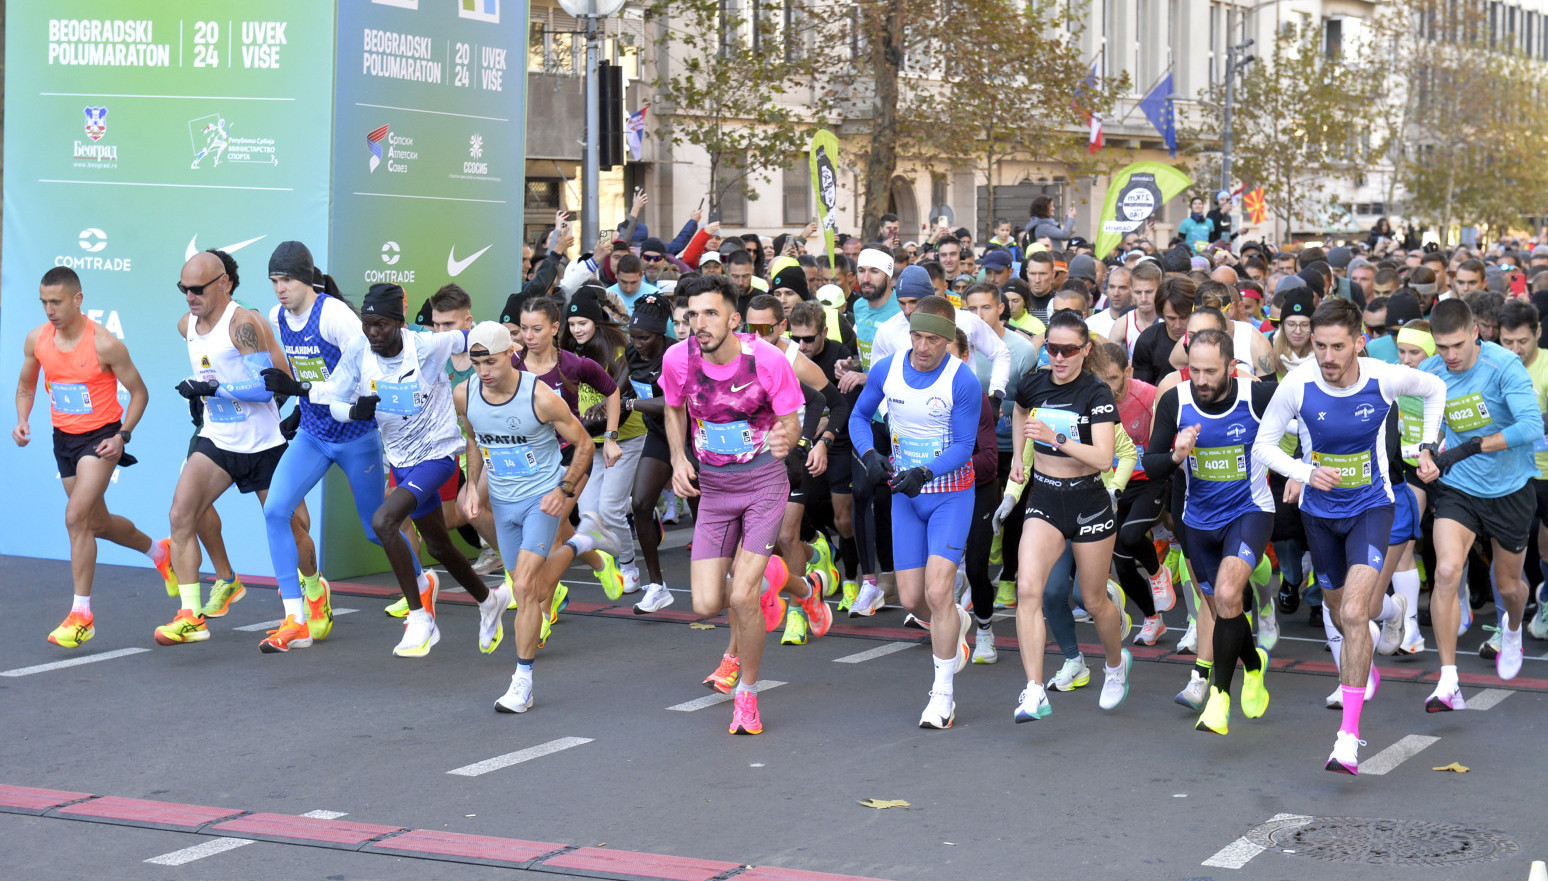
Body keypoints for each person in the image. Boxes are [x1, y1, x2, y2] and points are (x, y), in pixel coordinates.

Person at [1254, 298, 1446, 775]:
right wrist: (1302, 470)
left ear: (1359, 342)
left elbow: (1436, 388)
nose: (1328, 357)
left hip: (1371, 507)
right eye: (1320, 346)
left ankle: (1347, 738)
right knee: (1343, 613)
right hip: (1319, 515)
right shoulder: (1297, 384)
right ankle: (1394, 610)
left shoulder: (1384, 377)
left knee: (1355, 612)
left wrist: (1426, 444)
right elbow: (1263, 444)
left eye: (1338, 346)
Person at [327, 283, 505, 657]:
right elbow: (333, 399)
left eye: (382, 325)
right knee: (439, 545)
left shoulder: (427, 346)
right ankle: (489, 600)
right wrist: (353, 411)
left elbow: (473, 336)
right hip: (402, 461)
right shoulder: (360, 350)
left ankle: (420, 617)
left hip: (439, 455)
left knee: (384, 521)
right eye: (367, 324)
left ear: (400, 323)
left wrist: (505, 345)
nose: (373, 333)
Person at [662, 275, 804, 735]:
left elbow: (791, 420)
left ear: (734, 319)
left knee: (742, 596)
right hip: (715, 490)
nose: (698, 323)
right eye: (692, 314)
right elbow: (673, 407)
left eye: (710, 313)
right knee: (705, 603)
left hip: (763, 481)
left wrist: (788, 440)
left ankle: (747, 694)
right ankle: (779, 578)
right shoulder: (676, 360)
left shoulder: (766, 360)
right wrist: (678, 456)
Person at [158, 250, 315, 646]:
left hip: (264, 446)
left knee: (297, 530)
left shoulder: (243, 323)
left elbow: (267, 385)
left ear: (224, 283)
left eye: (197, 289)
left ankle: (314, 591)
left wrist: (211, 388)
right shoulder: (186, 325)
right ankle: (191, 616)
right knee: (181, 515)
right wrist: (206, 394)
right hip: (218, 441)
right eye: (183, 289)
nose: (190, 297)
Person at [13, 266, 166, 647]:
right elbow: (25, 385)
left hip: (100, 440)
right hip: (63, 440)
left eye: (57, 301)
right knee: (96, 523)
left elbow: (140, 393)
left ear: (78, 300)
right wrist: (21, 419)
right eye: (44, 302)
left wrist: (122, 436)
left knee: (75, 517)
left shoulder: (104, 343)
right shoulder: (37, 339)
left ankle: (82, 615)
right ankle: (159, 551)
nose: (49, 310)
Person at [255, 242, 397, 651]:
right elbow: (294, 372)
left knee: (376, 530)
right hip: (314, 436)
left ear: (306, 279)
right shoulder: (276, 316)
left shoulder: (334, 315)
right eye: (273, 282)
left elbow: (366, 377)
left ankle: (422, 586)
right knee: (276, 510)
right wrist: (296, 407)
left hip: (355, 436)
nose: (279, 289)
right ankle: (295, 618)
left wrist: (303, 390)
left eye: (286, 280)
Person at [849, 297, 980, 727]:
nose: (923, 347)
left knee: (938, 591)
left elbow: (964, 447)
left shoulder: (963, 381)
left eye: (934, 339)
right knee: (911, 600)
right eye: (917, 336)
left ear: (950, 341)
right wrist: (869, 454)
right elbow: (858, 416)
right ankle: (956, 622)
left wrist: (925, 470)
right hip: (905, 495)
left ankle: (942, 695)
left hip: (949, 495)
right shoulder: (887, 369)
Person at [1145, 329, 1278, 734]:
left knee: (1226, 593)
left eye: (1210, 371)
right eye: (1194, 370)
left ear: (1231, 367)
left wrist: (1299, 471)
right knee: (1224, 608)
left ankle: (1218, 698)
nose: (1200, 380)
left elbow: (1305, 416)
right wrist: (1176, 455)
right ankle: (1253, 667)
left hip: (1250, 510)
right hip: (1197, 520)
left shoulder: (1256, 398)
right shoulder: (1175, 401)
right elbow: (1151, 465)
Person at [456, 322, 591, 712]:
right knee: (523, 589)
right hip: (503, 502)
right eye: (477, 362)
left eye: (492, 361)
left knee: (527, 586)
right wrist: (470, 485)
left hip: (541, 500)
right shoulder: (465, 394)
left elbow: (583, 444)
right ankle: (579, 544)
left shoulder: (541, 396)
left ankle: (522, 680)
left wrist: (563, 491)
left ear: (510, 355)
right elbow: (474, 438)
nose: (484, 370)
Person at [1418, 298, 1543, 712]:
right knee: (1447, 570)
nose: (1450, 356)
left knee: (1509, 587)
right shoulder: (1430, 372)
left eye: (1457, 345)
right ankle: (1448, 680)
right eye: (1441, 347)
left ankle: (1511, 630)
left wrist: (1473, 446)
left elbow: (1530, 426)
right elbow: (1427, 430)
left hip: (1510, 489)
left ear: (1476, 333)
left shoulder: (1503, 365)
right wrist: (1426, 454)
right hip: (1461, 490)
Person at [1006, 309, 1131, 721]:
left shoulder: (1095, 393)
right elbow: (1020, 409)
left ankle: (1115, 667)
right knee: (1029, 589)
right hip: (1044, 498)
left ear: (1085, 350)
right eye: (1052, 349)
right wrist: (1019, 461)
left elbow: (1103, 458)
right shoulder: (1034, 384)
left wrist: (1055, 437)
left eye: (1068, 350)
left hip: (1088, 501)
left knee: (1095, 601)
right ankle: (1034, 689)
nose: (1058, 358)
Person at [625, 295, 683, 614]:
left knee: (710, 511)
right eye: (633, 337)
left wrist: (629, 404)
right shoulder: (632, 351)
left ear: (660, 335)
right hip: (659, 436)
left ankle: (729, 574)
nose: (638, 344)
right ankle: (658, 587)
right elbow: (620, 385)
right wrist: (608, 403)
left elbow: (673, 403)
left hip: (690, 436)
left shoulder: (675, 354)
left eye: (644, 338)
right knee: (641, 503)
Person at [1496, 301, 1548, 640]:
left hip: (1545, 473)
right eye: (1507, 342)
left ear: (1538, 334)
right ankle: (1505, 627)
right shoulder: (1492, 366)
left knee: (1545, 550)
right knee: (1504, 550)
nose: (1514, 350)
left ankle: (1544, 601)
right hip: (1509, 474)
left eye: (1522, 342)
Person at [1109, 260, 1161, 357]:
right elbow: (1111, 362)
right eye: (1138, 292)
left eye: (1149, 292)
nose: (1144, 298)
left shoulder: (1171, 320)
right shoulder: (1122, 324)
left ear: (1160, 290)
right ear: (1132, 292)